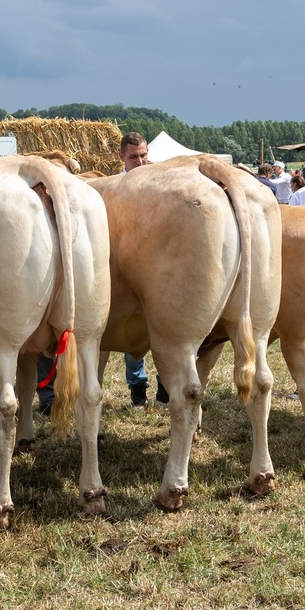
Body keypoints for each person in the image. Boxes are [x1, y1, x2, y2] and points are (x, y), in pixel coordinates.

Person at [113, 132, 166, 407]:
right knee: (132, 330)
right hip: (125, 266)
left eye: (144, 155)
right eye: (134, 157)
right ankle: (137, 387)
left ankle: (166, 384)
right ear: (121, 156)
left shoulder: (160, 181)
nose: (141, 161)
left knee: (165, 327)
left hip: (157, 265)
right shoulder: (114, 186)